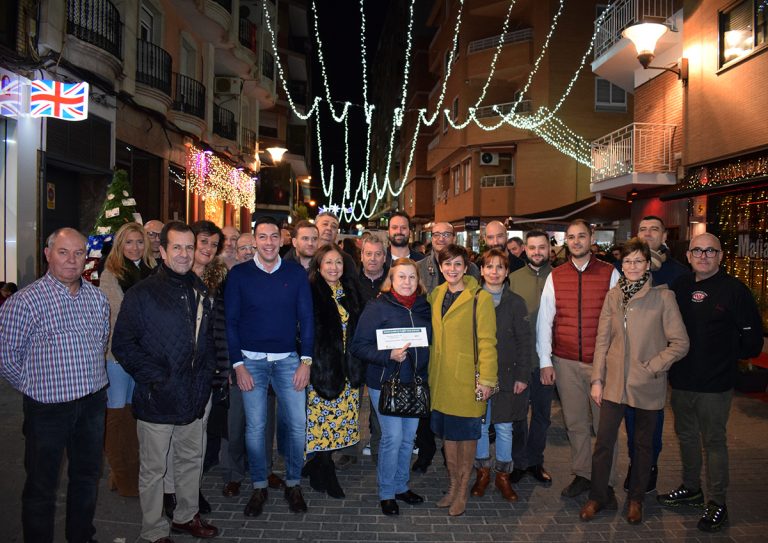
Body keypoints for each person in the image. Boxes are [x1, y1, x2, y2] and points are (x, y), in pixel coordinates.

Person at [0, 228, 110, 543]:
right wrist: (36, 387)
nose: (72, 260)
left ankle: (80, 536)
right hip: (47, 409)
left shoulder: (96, 299)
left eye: (78, 253)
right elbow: (7, 358)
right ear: (48, 254)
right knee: (41, 485)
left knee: (87, 478)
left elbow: (100, 343)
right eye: (63, 252)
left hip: (91, 404)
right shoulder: (25, 302)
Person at [112, 221, 219, 542]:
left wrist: (204, 381)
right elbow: (123, 345)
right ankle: (154, 528)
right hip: (157, 398)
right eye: (178, 247)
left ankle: (186, 517)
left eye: (190, 247)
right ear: (162, 251)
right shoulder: (142, 293)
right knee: (154, 470)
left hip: (193, 397)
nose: (185, 254)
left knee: (189, 461)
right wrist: (154, 378)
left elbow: (208, 343)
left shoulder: (199, 290)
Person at [659, 233, 764, 532]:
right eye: (697, 251)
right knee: (687, 437)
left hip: (715, 386)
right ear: (689, 256)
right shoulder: (680, 286)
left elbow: (752, 341)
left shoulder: (734, 290)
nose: (703, 256)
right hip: (681, 381)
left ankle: (718, 502)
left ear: (720, 256)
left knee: (714, 442)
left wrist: (727, 358)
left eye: (710, 251)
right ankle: (691, 489)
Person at [580, 238, 689, 524]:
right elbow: (602, 340)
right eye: (627, 261)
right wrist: (597, 379)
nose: (632, 266)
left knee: (642, 446)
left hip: (647, 384)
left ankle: (636, 499)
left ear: (647, 264)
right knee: (603, 443)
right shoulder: (613, 296)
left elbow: (680, 342)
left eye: (638, 261)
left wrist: (654, 366)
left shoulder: (663, 297)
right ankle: (598, 496)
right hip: (613, 384)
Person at [225, 216, 314, 517]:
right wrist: (238, 365)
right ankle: (259, 485)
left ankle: (293, 482)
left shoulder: (295, 273)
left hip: (288, 361)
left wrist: (306, 361)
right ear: (254, 240)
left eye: (273, 236)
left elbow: (308, 319)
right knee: (256, 428)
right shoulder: (239, 275)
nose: (268, 242)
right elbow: (231, 323)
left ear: (282, 239)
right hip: (251, 362)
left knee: (298, 425)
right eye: (262, 237)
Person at [536, 218, 620, 499]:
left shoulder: (611, 273)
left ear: (591, 237)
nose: (576, 241)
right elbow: (545, 321)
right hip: (566, 361)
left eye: (581, 236)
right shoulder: (556, 276)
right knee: (575, 423)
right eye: (571, 237)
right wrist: (545, 361)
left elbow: (621, 321)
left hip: (602, 364)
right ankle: (583, 474)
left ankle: (605, 481)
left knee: (604, 425)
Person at [351, 258, 431, 515]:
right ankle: (386, 492)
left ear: (418, 281)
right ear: (391, 280)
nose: (407, 282)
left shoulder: (423, 307)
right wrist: (389, 356)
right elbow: (358, 346)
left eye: (411, 277)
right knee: (392, 437)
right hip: (384, 382)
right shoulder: (377, 307)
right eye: (401, 277)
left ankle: (400, 486)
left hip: (414, 382)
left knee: (408, 439)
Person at [428, 244, 498, 516]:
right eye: (447, 264)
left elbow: (488, 342)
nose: (452, 269)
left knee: (466, 439)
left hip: (468, 380)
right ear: (440, 266)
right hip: (441, 379)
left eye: (457, 264)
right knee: (447, 438)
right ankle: (451, 486)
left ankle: (462, 492)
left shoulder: (479, 298)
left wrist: (488, 380)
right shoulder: (436, 294)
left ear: (466, 266)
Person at [623, 216, 690, 492]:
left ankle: (649, 466)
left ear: (664, 236)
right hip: (630, 363)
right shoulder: (624, 268)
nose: (648, 233)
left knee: (652, 421)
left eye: (654, 229)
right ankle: (635, 463)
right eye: (643, 229)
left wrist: (659, 362)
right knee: (630, 419)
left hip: (659, 363)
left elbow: (682, 323)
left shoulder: (678, 273)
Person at [414, 222, 481, 472]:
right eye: (437, 234)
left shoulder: (471, 269)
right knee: (428, 409)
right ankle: (426, 452)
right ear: (430, 238)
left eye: (447, 234)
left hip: (457, 352)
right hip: (429, 349)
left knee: (453, 414)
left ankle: (453, 462)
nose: (441, 238)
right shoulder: (419, 266)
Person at [302, 244, 365, 498]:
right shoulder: (310, 291)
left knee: (339, 422)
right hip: (321, 370)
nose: (333, 267)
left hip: (347, 370)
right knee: (321, 424)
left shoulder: (350, 291)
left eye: (338, 262)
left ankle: (318, 465)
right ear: (318, 265)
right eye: (328, 262)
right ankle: (325, 470)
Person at [99, 222, 156, 497]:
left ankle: (130, 471)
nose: (134, 247)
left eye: (139, 241)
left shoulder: (152, 270)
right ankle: (122, 475)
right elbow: (116, 315)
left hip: (145, 356)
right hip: (118, 355)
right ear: (120, 245)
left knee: (136, 415)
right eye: (129, 242)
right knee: (117, 416)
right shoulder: (111, 274)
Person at [471, 249, 531, 503]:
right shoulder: (472, 299)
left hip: (508, 375)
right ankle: (482, 472)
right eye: (489, 266)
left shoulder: (516, 302)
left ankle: (502, 476)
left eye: (499, 267)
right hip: (480, 374)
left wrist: (522, 375)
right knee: (482, 426)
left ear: (507, 272)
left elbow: (524, 341)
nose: (494, 271)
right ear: (481, 270)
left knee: (505, 427)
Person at [507, 231, 555, 485]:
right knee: (518, 414)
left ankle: (536, 461)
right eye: (532, 247)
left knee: (542, 414)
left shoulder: (559, 277)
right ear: (525, 249)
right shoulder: (513, 279)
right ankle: (519, 461)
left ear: (550, 249)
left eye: (542, 247)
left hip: (548, 361)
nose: (537, 252)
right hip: (520, 361)